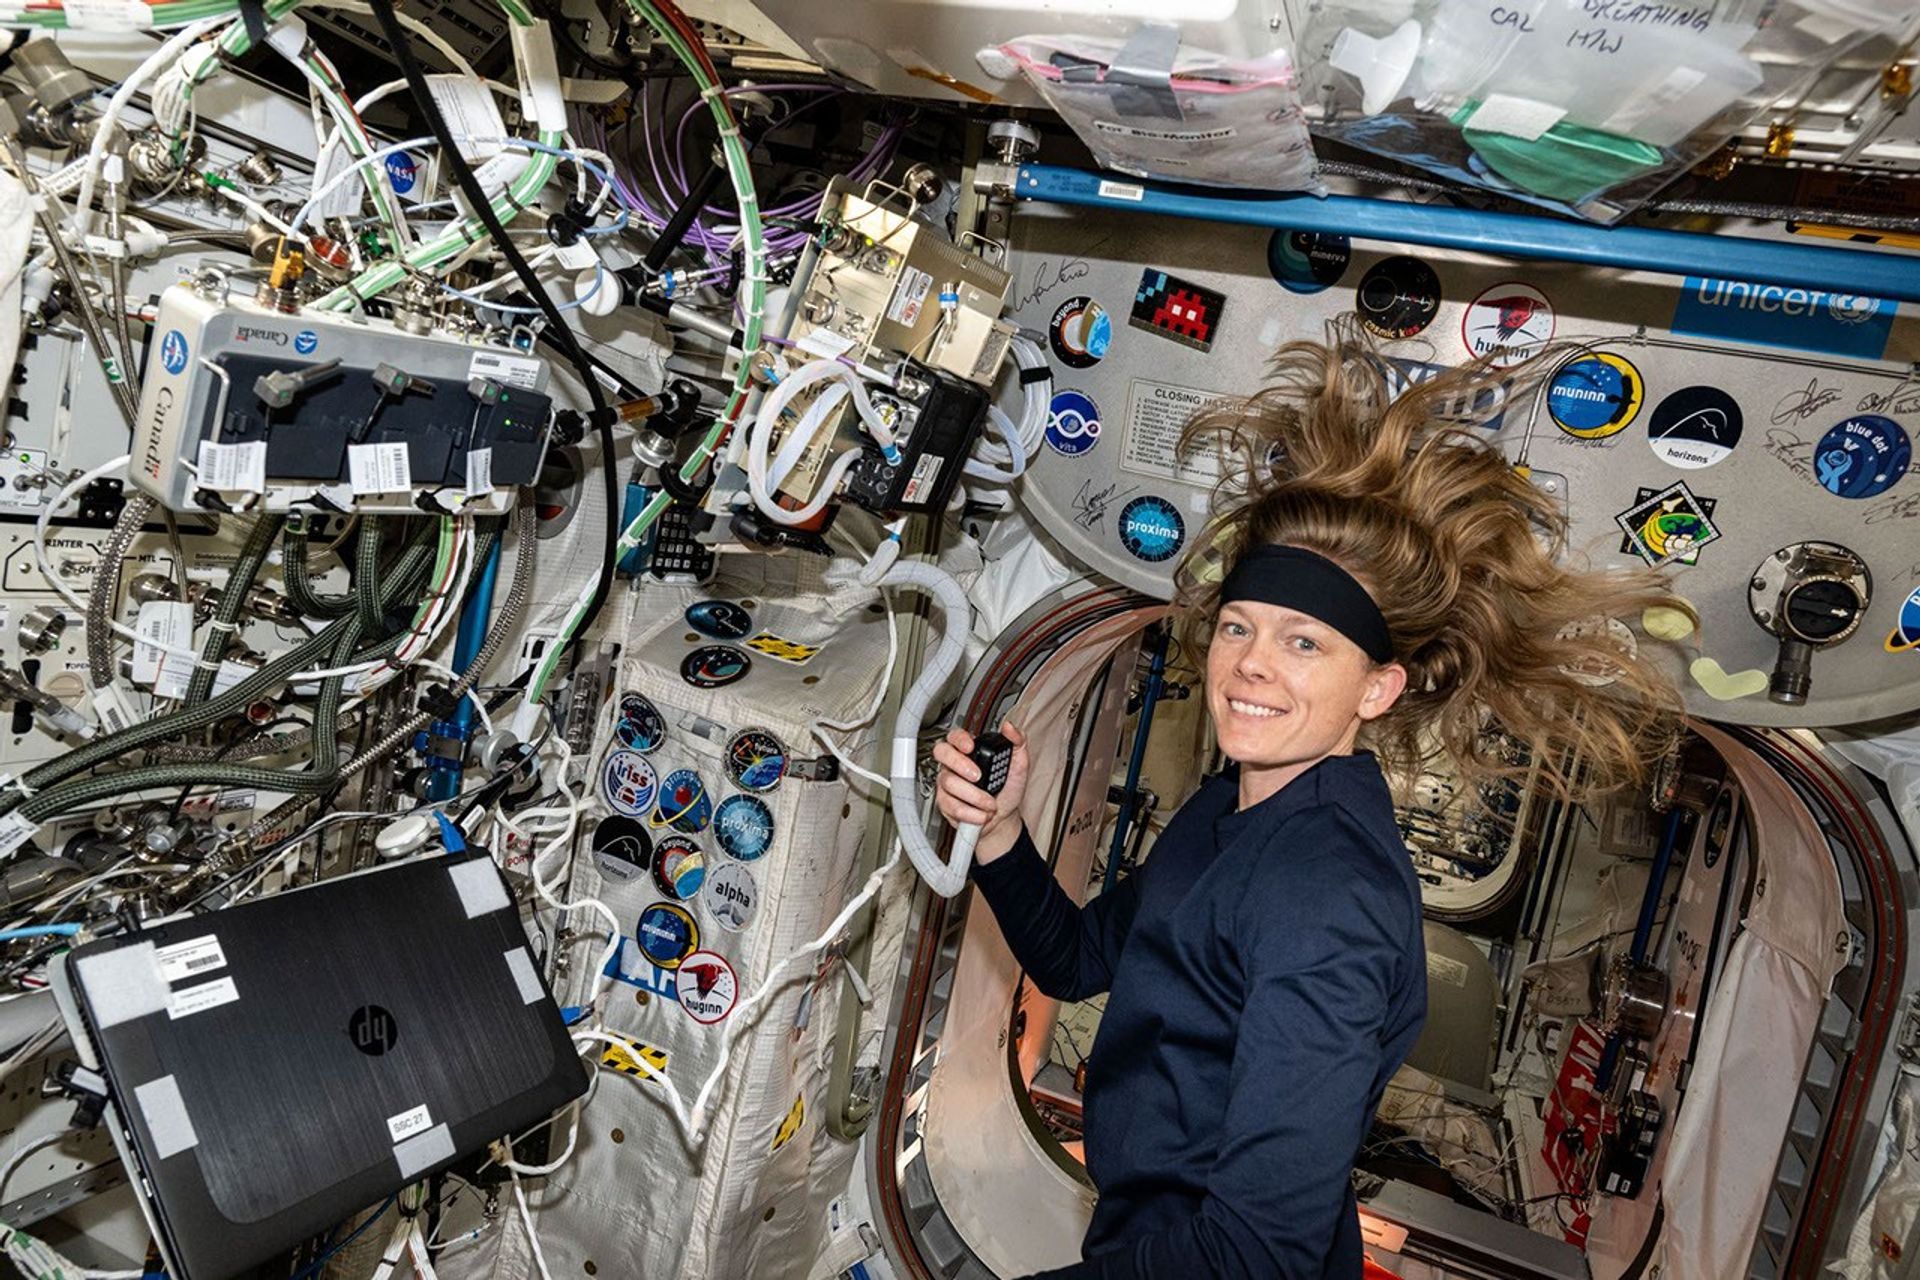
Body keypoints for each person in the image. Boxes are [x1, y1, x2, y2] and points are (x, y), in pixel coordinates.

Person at [933, 328, 1687, 1279]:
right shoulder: (1229, 811)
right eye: (1240, 627)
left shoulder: (1328, 897)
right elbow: (1078, 962)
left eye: (1304, 644)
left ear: (1375, 689)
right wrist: (1001, 837)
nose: (1250, 663)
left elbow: (1257, 1254)